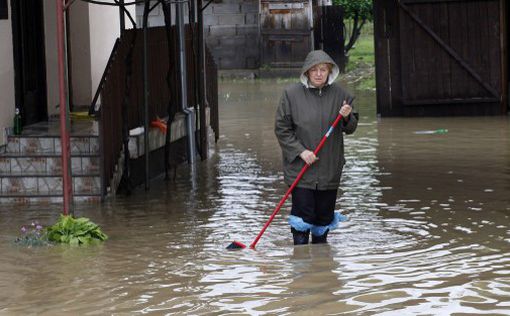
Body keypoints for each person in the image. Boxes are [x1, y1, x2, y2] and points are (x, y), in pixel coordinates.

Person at [274, 50, 358, 245]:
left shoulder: (341, 95)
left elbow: (351, 127)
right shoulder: (291, 95)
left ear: (330, 72)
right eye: (314, 70)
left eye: (323, 70)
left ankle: (321, 264)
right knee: (303, 218)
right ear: (306, 72)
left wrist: (347, 115)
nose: (319, 74)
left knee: (323, 219)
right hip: (301, 171)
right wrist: (301, 151)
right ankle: (301, 261)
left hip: (330, 170)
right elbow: (282, 129)